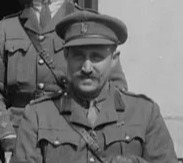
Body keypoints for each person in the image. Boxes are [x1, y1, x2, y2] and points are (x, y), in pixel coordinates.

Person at [11, 10, 176, 163]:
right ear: (66, 56)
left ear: (114, 59)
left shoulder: (144, 113)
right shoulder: (38, 116)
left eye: (97, 57)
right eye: (78, 56)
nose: (87, 68)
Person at [0, 0, 128, 155]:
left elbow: (115, 87)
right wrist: (7, 135)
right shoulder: (6, 28)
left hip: (71, 136)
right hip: (18, 137)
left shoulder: (87, 24)